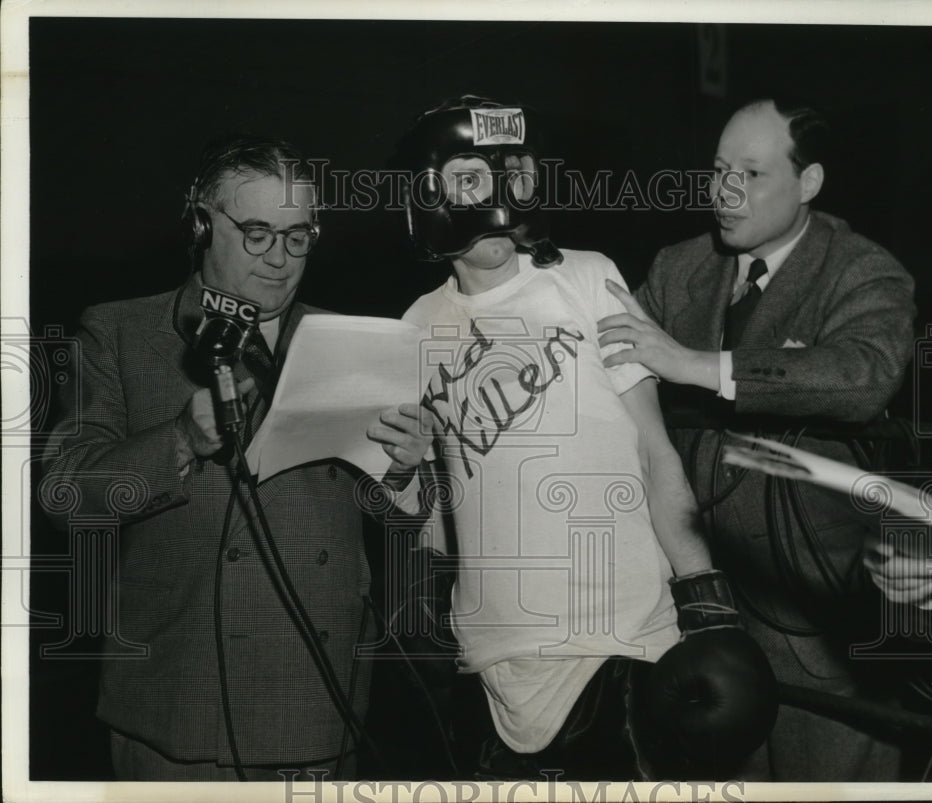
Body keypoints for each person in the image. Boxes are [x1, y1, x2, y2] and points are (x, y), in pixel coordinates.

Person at [369, 96, 779, 780]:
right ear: (430, 191)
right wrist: (404, 474)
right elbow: (435, 520)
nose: (496, 197)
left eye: (512, 175)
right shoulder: (414, 325)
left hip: (623, 636)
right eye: (470, 177)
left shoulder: (587, 277)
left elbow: (654, 448)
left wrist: (704, 595)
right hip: (495, 653)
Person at [42, 135, 424, 781]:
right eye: (255, 232)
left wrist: (405, 468)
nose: (278, 259)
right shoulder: (119, 331)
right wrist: (180, 441)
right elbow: (64, 496)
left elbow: (395, 520)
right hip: (179, 704)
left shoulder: (357, 341)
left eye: (298, 235)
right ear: (199, 222)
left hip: (317, 699)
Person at [596, 98, 918, 781]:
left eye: (751, 172)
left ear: (810, 183)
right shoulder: (680, 267)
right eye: (717, 170)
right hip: (699, 612)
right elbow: (608, 383)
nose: (725, 192)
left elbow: (865, 374)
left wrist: (696, 364)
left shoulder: (863, 271)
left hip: (822, 624)